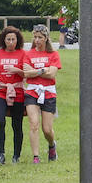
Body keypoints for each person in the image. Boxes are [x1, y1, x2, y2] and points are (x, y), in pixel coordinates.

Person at [20, 25, 62, 163]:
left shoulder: (53, 54)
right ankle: (36, 157)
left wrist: (36, 71)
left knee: (47, 129)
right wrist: (43, 70)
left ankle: (51, 145)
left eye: (40, 37)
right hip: (32, 91)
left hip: (48, 92)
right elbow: (26, 73)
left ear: (46, 38)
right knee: (33, 124)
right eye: (35, 37)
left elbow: (52, 74)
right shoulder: (29, 54)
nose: (37, 40)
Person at [0, 26, 27, 166]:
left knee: (17, 124)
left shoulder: (23, 54)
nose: (11, 42)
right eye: (8, 39)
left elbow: (28, 74)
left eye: (13, 39)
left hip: (17, 92)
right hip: (1, 91)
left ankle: (16, 155)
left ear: (18, 40)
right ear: (3, 40)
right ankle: (1, 154)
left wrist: (17, 70)